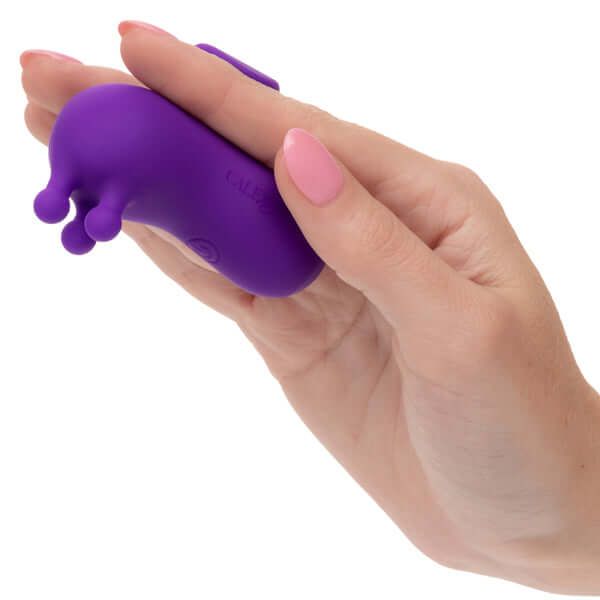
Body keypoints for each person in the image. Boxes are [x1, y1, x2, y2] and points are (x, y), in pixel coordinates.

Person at [20, 20, 600, 595]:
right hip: (135, 165)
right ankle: (97, 196)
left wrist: (565, 529)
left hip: (109, 155)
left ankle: (80, 193)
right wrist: (565, 532)